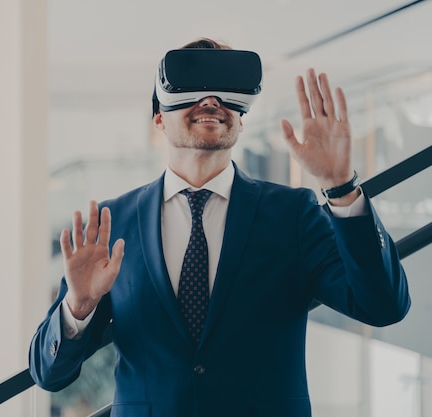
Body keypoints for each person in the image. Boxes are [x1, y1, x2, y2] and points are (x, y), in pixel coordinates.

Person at [29, 38, 411, 417]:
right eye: (192, 87)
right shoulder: (113, 225)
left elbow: (383, 306)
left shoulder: (293, 213)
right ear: (159, 116)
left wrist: (341, 187)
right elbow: (49, 374)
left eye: (225, 91)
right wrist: (78, 307)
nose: (210, 101)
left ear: (241, 118)